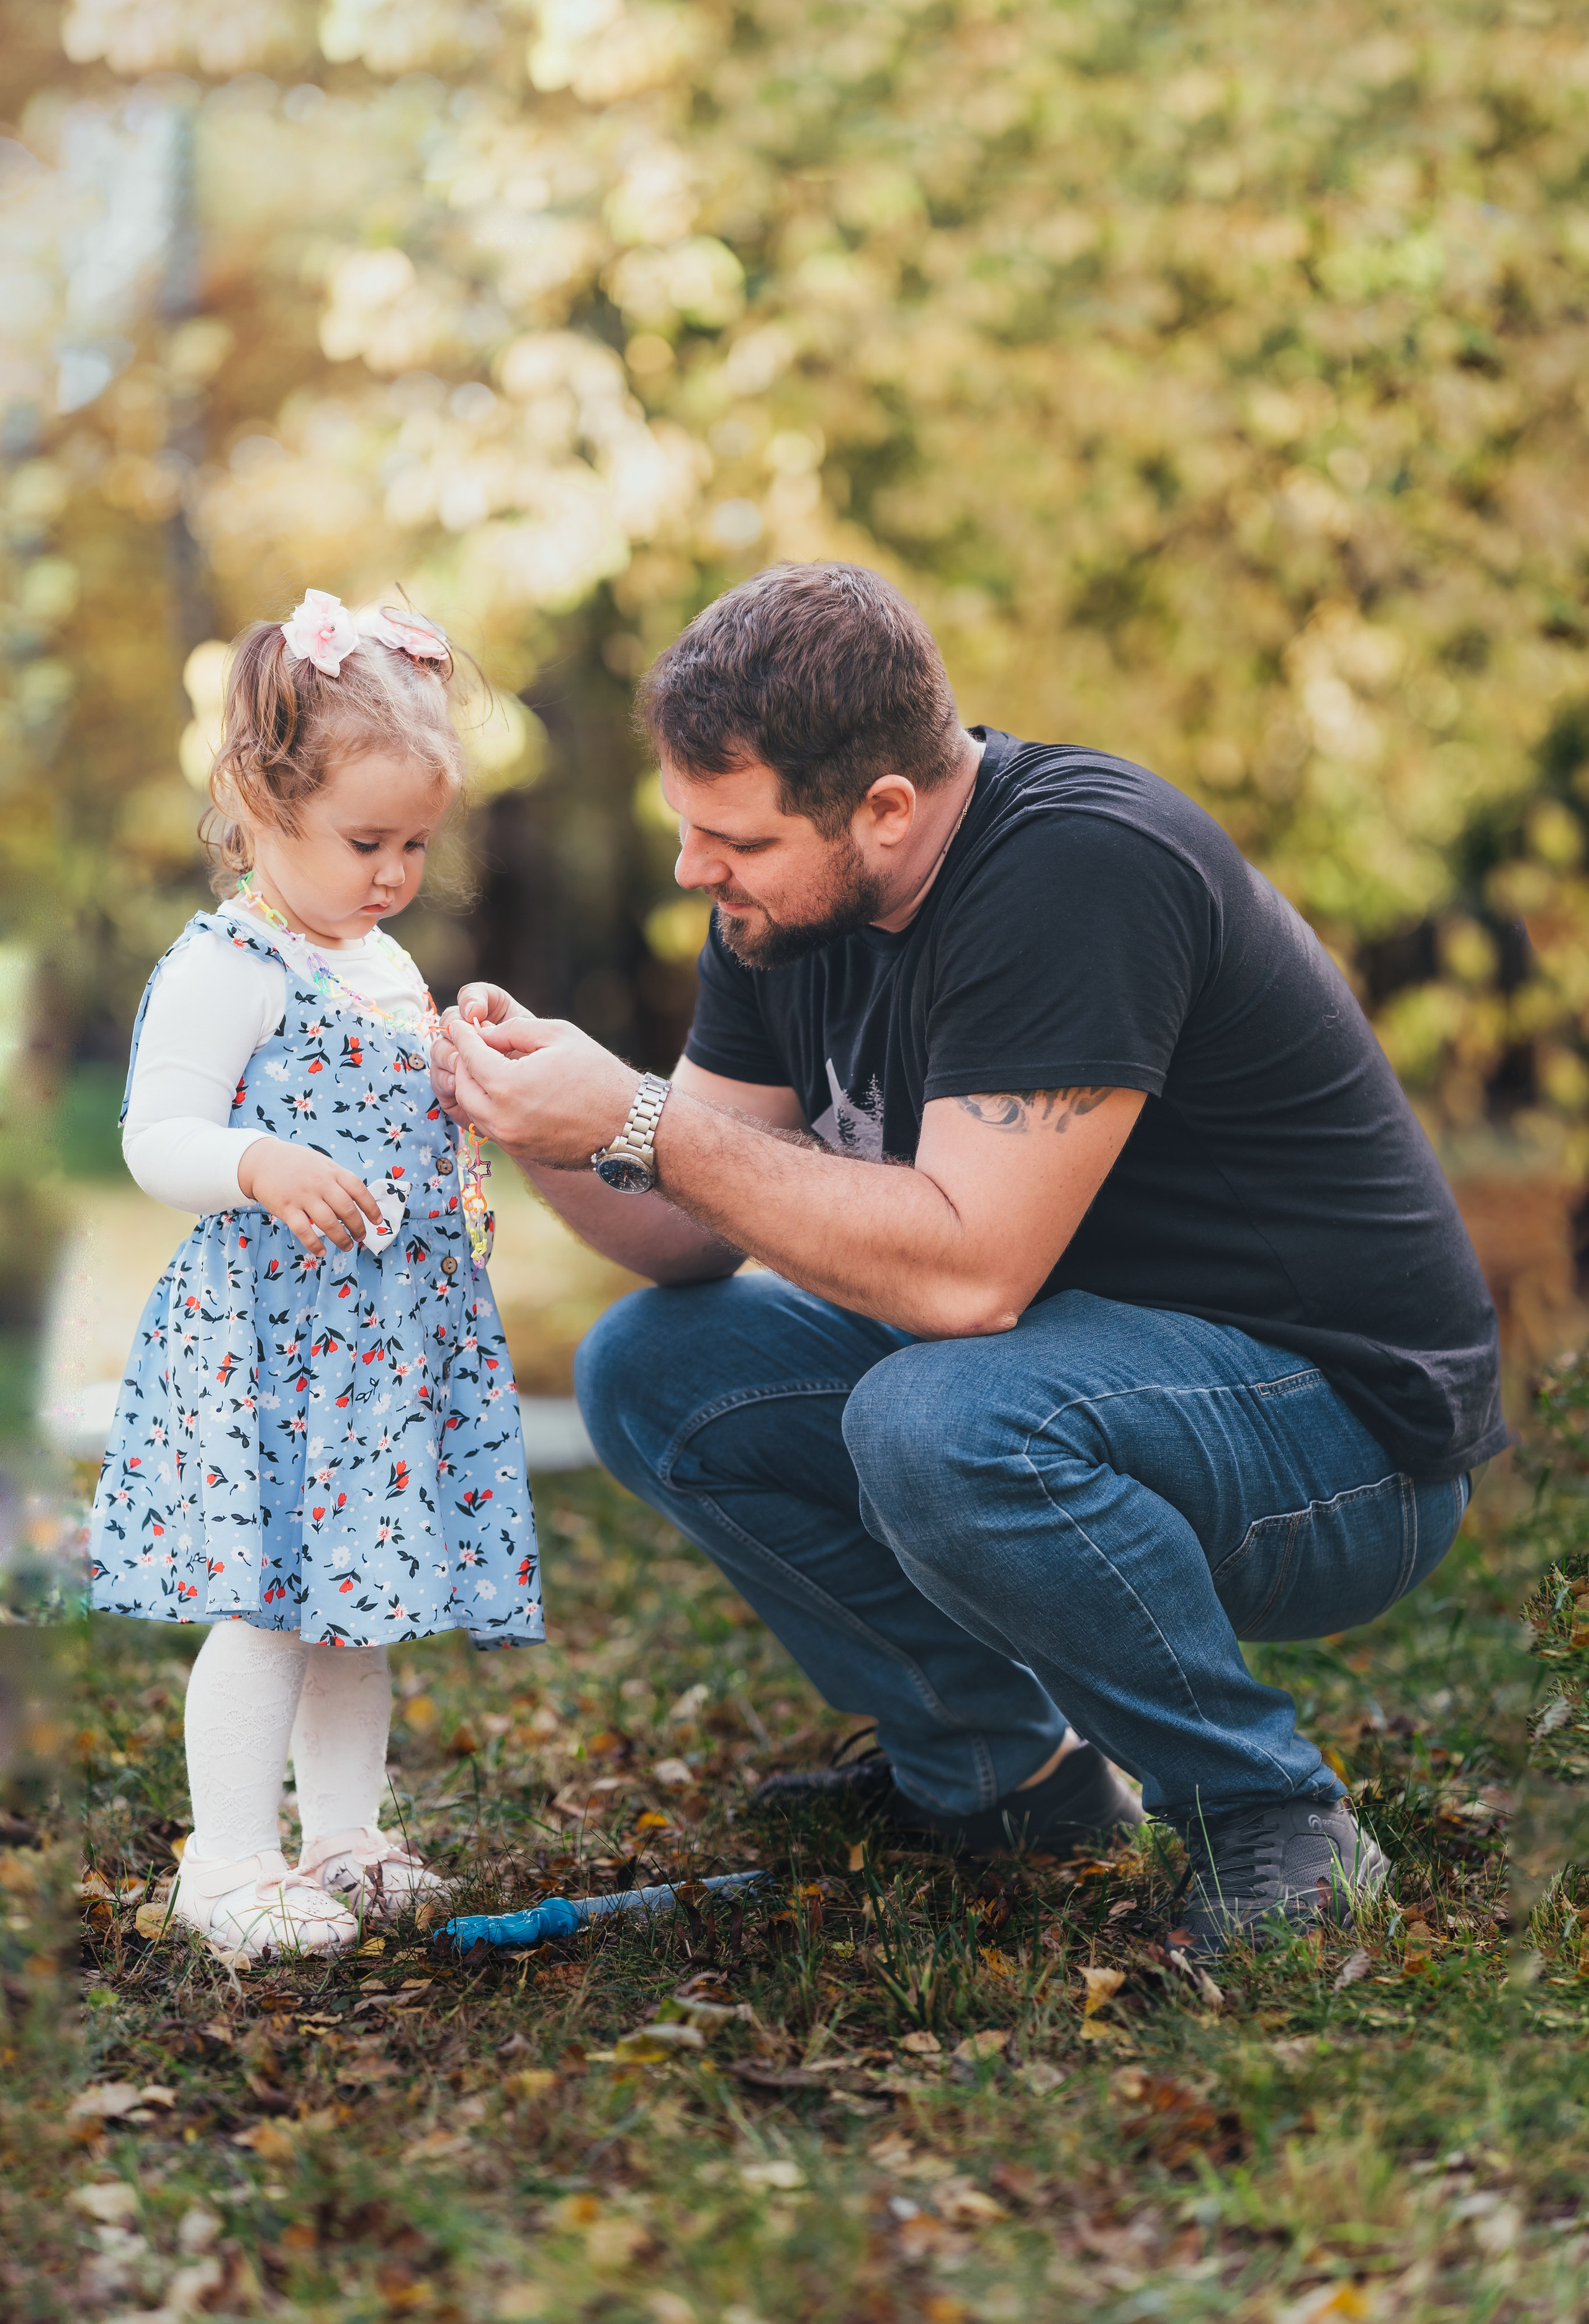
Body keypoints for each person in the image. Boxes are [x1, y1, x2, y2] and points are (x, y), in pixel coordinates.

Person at [430, 561, 1506, 1953]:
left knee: (933, 1419)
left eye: (733, 839)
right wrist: (537, 1120)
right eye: (685, 828)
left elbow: (966, 1279)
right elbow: (683, 1231)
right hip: (1081, 1382)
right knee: (654, 1367)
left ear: (885, 809)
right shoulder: (786, 910)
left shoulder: (1077, 869)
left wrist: (638, 1117)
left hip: (1342, 1443)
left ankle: (1271, 1818)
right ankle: (1000, 1780)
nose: (696, 870)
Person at [89, 589, 541, 1957]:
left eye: (415, 844)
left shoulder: (379, 958)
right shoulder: (230, 963)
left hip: (380, 1342)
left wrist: (461, 1051)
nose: (394, 872)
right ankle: (227, 1860)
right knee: (273, 1604)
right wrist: (258, 1162)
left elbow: (389, 1095)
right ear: (259, 801)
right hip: (277, 1339)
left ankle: (345, 1836)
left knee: (362, 1603)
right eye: (365, 842)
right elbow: (155, 1134)